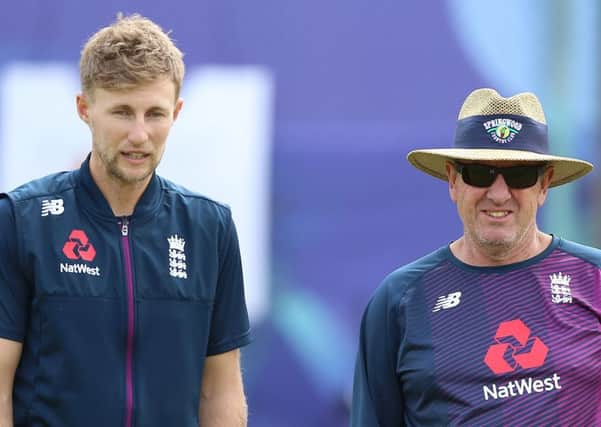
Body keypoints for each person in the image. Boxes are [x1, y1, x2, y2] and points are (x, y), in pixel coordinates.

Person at [0, 14, 251, 427]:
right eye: (122, 112)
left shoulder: (210, 227)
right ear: (85, 109)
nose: (139, 134)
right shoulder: (21, 221)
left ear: (177, 112)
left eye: (155, 113)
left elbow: (220, 390)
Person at [351, 88, 601, 426]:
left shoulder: (594, 278)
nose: (498, 194)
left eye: (519, 175)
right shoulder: (399, 300)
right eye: (479, 173)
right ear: (453, 181)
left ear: (544, 185)